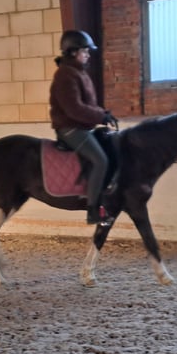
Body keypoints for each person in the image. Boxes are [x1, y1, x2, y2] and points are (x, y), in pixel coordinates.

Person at [49, 29, 118, 225]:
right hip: (70, 128)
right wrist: (100, 116)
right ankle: (93, 210)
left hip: (82, 126)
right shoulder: (65, 75)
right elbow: (74, 109)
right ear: (72, 52)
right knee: (100, 160)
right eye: (85, 51)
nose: (88, 54)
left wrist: (104, 114)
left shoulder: (79, 73)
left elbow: (88, 104)